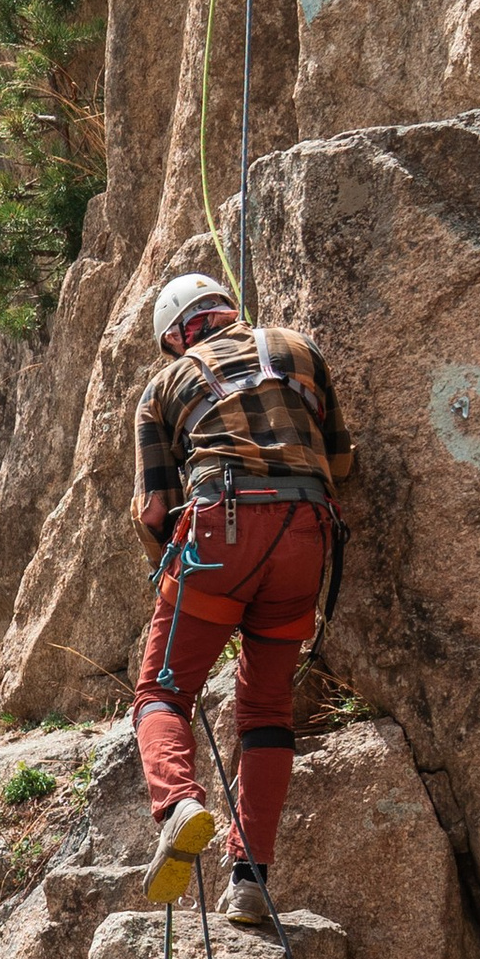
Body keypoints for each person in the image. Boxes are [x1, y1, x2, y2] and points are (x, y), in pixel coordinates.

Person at [130, 270, 352, 923]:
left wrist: (171, 579)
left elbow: (153, 510)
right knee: (266, 710)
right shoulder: (299, 349)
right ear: (228, 310)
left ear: (174, 336)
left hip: (217, 534)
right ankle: (251, 879)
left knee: (162, 693)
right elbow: (340, 463)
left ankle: (179, 805)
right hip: (306, 538)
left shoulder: (164, 386)